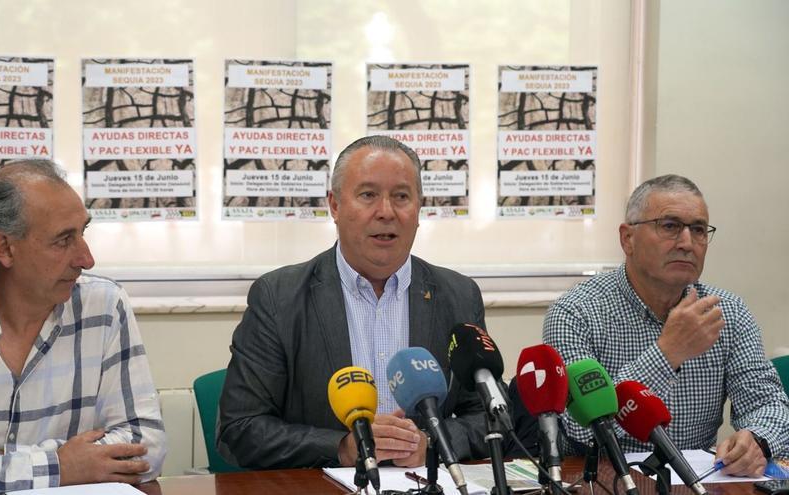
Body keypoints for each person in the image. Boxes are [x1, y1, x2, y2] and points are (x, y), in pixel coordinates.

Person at [217, 135, 514, 470]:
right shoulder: (279, 297)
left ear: (419, 208)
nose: (386, 212)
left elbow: (494, 416)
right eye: (368, 195)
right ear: (335, 205)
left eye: (401, 196)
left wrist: (431, 441)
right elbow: (240, 428)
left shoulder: (457, 295)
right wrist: (342, 447)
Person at [0, 160, 166, 493]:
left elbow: (147, 444)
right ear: (4, 247)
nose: (86, 259)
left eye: (82, 233)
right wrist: (60, 465)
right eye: (63, 240)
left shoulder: (104, 306)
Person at [543, 174, 788, 476]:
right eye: (670, 226)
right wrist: (666, 353)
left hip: (698, 481)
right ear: (627, 239)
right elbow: (578, 430)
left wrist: (757, 440)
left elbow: (768, 403)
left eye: (698, 230)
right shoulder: (575, 312)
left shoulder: (728, 312)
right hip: (602, 480)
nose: (687, 243)